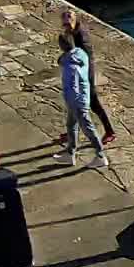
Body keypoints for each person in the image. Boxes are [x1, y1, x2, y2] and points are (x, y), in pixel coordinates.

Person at [58, 10, 116, 146]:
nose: (66, 25)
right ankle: (72, 132)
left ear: (74, 20)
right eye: (64, 23)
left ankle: (109, 131)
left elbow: (84, 57)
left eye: (68, 21)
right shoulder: (70, 33)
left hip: (84, 73)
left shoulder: (80, 36)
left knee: (93, 104)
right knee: (74, 104)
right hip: (77, 72)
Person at [53, 32, 109, 169]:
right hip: (82, 97)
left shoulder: (70, 67)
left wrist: (72, 102)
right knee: (71, 126)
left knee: (88, 128)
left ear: (62, 45)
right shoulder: (80, 54)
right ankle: (70, 153)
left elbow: (73, 86)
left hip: (76, 101)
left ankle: (100, 156)